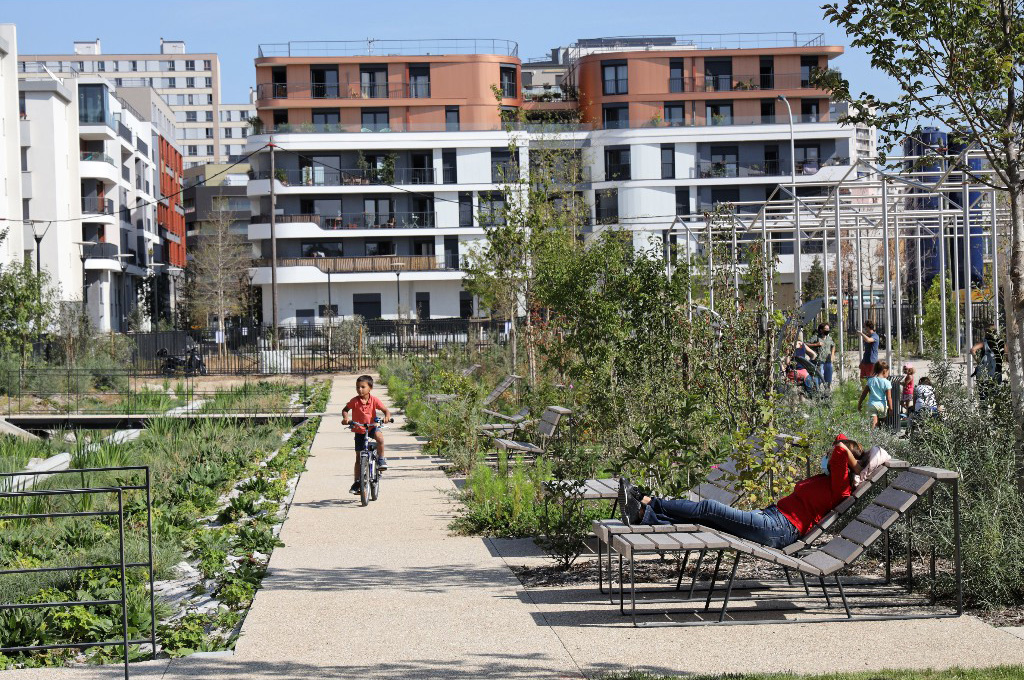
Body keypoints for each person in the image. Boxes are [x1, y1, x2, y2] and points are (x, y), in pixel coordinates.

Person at [619, 437, 866, 549]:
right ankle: (643, 514)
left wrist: (856, 465)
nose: (826, 456)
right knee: (705, 518)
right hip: (773, 518)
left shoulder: (841, 488)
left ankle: (646, 499)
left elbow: (841, 448)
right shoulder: (830, 481)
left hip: (779, 529)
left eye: (829, 456)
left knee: (709, 509)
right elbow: (840, 441)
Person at [341, 374, 393, 495]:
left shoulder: (374, 400)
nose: (360, 389)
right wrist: (345, 418)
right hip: (359, 429)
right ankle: (357, 482)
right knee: (359, 458)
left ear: (370, 388)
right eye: (358, 387)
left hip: (372, 427)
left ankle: (381, 459)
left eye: (363, 387)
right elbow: (345, 410)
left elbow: (385, 410)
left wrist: (387, 417)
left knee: (380, 438)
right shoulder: (354, 401)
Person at [858, 360, 892, 429]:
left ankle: (873, 437)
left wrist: (859, 403)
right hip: (882, 405)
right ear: (884, 371)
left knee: (874, 424)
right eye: (888, 372)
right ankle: (881, 436)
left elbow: (864, 394)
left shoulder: (870, 380)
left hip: (872, 404)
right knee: (881, 425)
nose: (888, 374)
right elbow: (889, 397)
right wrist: (891, 408)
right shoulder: (887, 382)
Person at [806, 323, 835, 388]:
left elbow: (833, 345)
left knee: (828, 380)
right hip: (819, 362)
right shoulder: (816, 337)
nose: (827, 330)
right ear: (821, 330)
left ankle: (827, 394)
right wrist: (816, 344)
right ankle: (817, 393)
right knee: (818, 379)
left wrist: (832, 355)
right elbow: (805, 344)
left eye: (828, 329)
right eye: (826, 329)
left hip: (828, 362)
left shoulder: (829, 338)